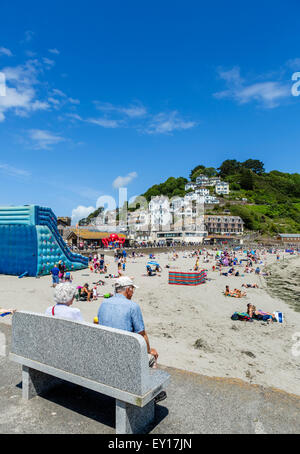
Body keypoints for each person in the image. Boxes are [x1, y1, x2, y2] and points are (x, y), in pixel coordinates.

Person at [97, 276, 166, 403]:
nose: (133, 292)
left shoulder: (104, 303)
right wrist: (149, 351)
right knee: (151, 358)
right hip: (124, 357)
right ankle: (154, 394)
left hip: (105, 352)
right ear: (128, 290)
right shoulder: (132, 307)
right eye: (133, 289)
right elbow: (142, 334)